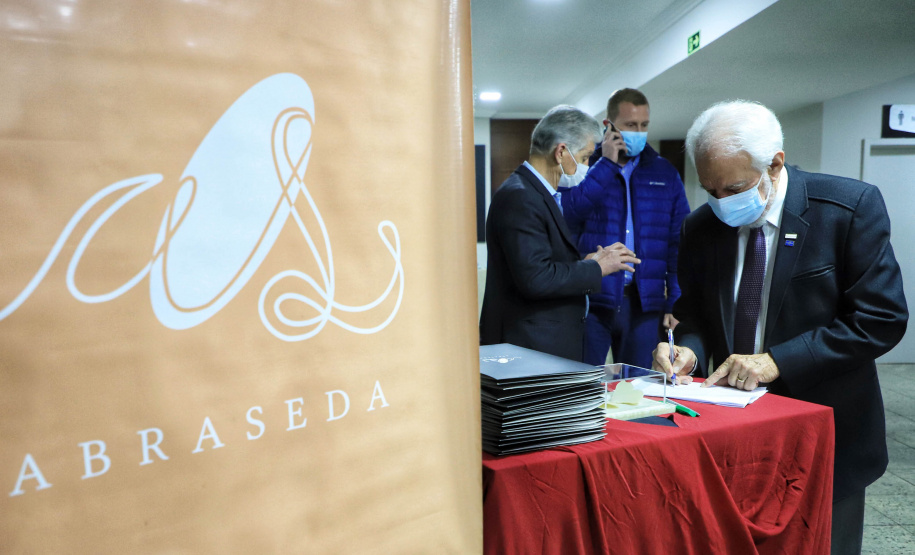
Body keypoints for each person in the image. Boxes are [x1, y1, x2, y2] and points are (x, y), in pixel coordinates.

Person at [654, 100, 908, 555]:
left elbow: (881, 319)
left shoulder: (847, 209)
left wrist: (777, 361)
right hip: (737, 430)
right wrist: (687, 349)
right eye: (710, 190)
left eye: (733, 188)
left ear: (775, 164)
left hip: (827, 428)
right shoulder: (701, 227)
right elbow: (694, 312)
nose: (722, 203)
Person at [480, 105, 640, 362]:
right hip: (528, 348)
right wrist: (596, 268)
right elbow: (536, 278)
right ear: (561, 151)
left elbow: (541, 262)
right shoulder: (521, 196)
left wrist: (587, 262)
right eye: (586, 157)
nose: (587, 166)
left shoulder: (535, 193)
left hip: (540, 344)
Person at [560, 88, 690, 368]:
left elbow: (679, 242)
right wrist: (605, 163)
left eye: (644, 125)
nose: (639, 132)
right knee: (584, 385)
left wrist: (675, 301)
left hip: (644, 305)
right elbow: (568, 214)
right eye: (631, 125)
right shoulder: (585, 166)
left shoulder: (664, 173)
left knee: (642, 387)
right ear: (609, 126)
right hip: (592, 300)